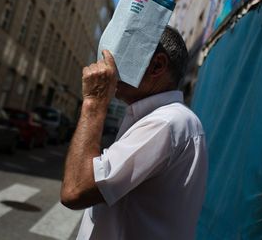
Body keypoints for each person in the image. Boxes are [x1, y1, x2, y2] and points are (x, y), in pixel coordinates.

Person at [61, 26, 208, 240]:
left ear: (157, 65)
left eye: (121, 53)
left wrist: (93, 102)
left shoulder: (165, 122)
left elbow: (75, 190)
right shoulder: (162, 119)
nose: (107, 63)